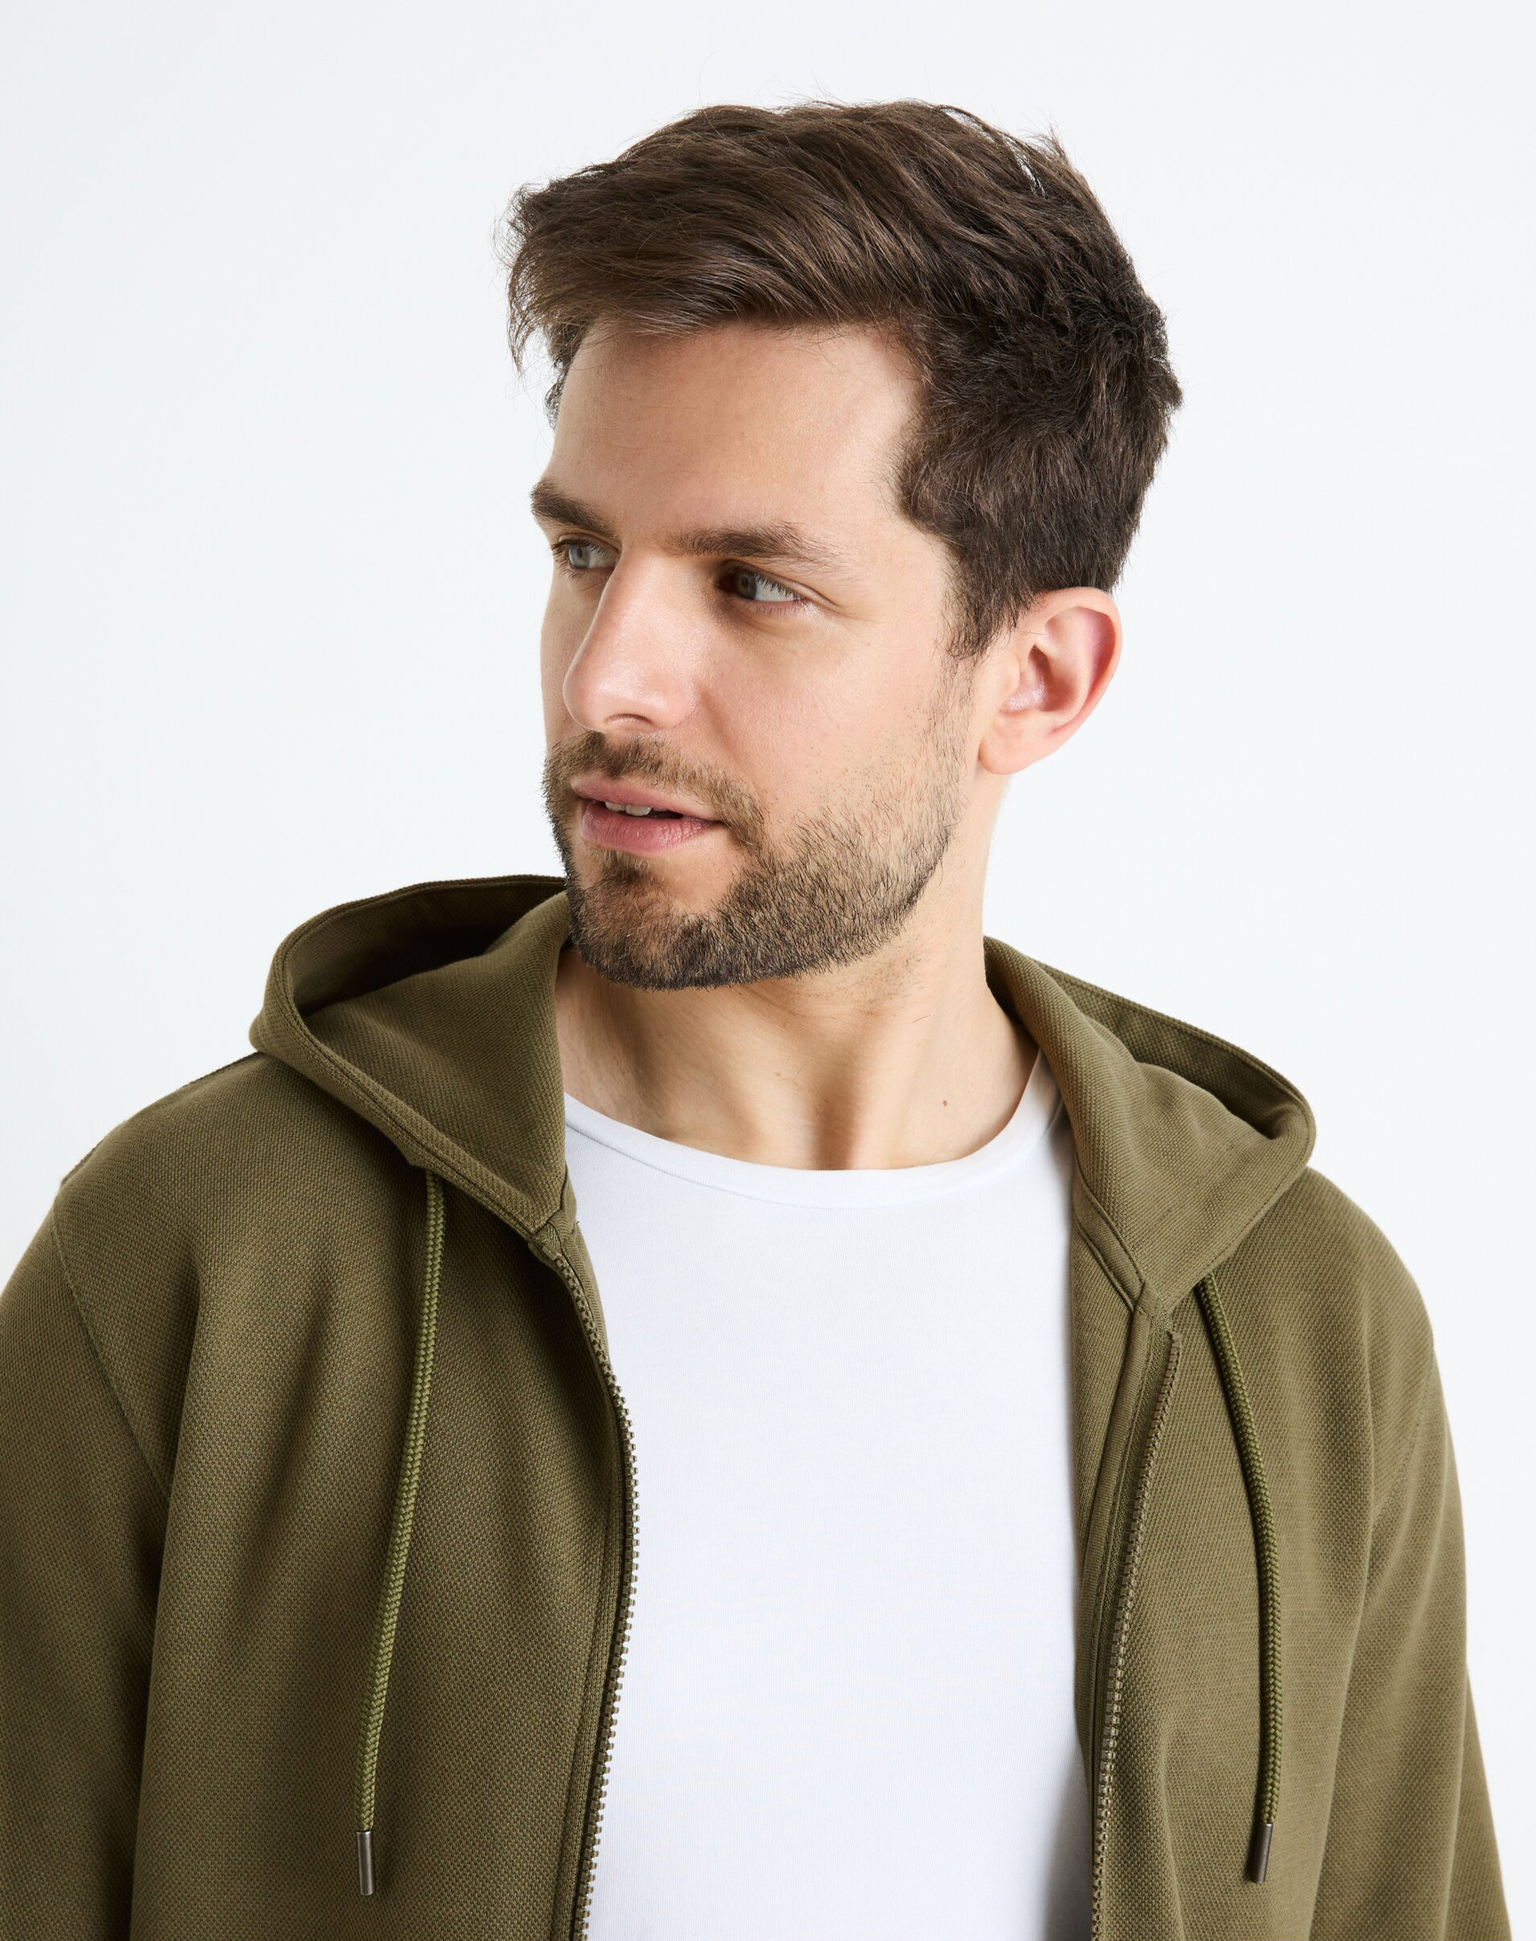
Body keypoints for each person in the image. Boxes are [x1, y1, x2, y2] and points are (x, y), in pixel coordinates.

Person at [0, 100, 1508, 1941]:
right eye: (583, 554)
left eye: (753, 585)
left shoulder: (1292, 1317)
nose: (610, 677)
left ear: (1035, 678)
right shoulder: (210, 1250)